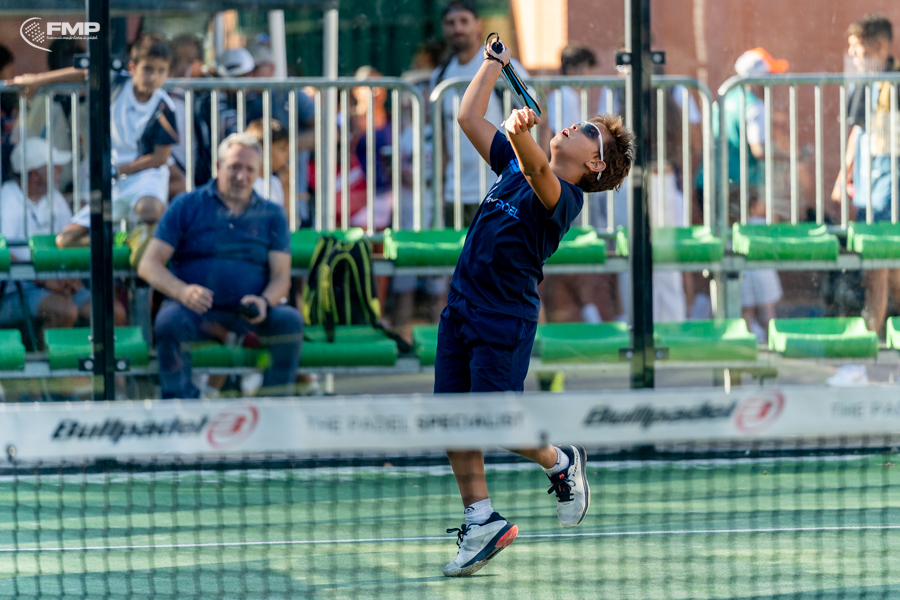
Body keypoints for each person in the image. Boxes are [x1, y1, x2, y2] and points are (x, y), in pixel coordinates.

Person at [436, 40, 634, 576]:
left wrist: (522, 132)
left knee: (496, 422)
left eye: (586, 130)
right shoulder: (513, 163)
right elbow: (467, 116)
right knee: (450, 420)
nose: (573, 125)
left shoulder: (564, 199)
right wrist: (492, 64)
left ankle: (561, 460)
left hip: (503, 318)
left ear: (593, 163)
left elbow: (538, 172)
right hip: (460, 306)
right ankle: (480, 519)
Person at [137, 133, 303, 399]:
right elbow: (148, 264)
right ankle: (180, 407)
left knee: (289, 321)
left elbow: (281, 276)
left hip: (249, 314)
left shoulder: (272, 214)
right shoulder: (187, 205)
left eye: (249, 169)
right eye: (234, 167)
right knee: (169, 322)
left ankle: (273, 406)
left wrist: (264, 301)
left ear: (259, 173)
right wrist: (182, 292)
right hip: (194, 310)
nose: (242, 176)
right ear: (218, 166)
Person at [53, 34, 178, 251]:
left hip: (146, 178)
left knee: (148, 210)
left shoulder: (165, 107)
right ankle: (125, 240)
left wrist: (119, 169)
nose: (154, 77)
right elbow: (83, 73)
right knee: (65, 240)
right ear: (132, 67)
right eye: (148, 69)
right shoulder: (117, 83)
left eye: (161, 71)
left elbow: (160, 158)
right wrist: (35, 80)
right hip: (113, 183)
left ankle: (159, 237)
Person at [828, 14, 899, 387]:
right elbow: (858, 131)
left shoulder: (894, 83)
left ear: (880, 48)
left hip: (891, 187)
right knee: (890, 274)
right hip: (871, 188)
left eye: (859, 51)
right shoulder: (865, 84)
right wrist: (844, 173)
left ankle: (863, 360)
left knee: (877, 271)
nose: (853, 57)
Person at [431, 0, 529, 228]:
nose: (457, 28)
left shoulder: (503, 65)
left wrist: (534, 177)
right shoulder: (441, 75)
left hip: (501, 188)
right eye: (451, 23)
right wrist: (439, 189)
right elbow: (442, 138)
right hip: (455, 192)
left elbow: (537, 116)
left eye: (463, 21)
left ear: (478, 25)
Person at [0, 138, 112, 338]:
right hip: (16, 288)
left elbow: (70, 242)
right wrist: (45, 281)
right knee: (65, 312)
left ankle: (92, 359)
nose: (60, 169)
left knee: (112, 313)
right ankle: (41, 358)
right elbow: (5, 253)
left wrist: (73, 278)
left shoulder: (55, 197)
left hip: (57, 280)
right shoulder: (6, 199)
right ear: (33, 175)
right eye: (53, 166)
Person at [246, 117, 290, 209]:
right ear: (262, 148)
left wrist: (286, 187)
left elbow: (284, 217)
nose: (287, 155)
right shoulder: (247, 184)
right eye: (282, 149)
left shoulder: (275, 183)